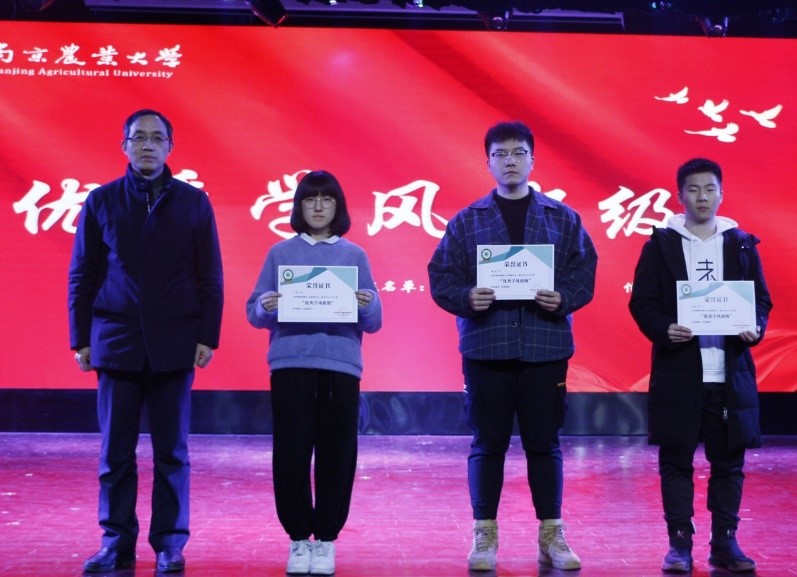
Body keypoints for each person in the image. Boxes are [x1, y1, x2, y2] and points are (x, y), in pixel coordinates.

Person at [428, 121, 597, 572]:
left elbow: (584, 271)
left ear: (532, 160)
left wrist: (564, 297)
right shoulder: (467, 221)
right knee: (487, 444)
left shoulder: (562, 218)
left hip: (545, 347)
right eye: (500, 154)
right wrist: (468, 297)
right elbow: (442, 276)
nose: (510, 161)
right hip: (487, 347)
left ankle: (551, 534)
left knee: (545, 443)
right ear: (487, 163)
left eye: (518, 152)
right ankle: (484, 534)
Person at [68, 109, 224, 573]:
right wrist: (81, 338)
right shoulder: (101, 201)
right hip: (116, 341)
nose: (148, 145)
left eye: (158, 138)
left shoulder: (194, 203)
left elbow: (210, 275)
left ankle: (169, 544)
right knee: (115, 453)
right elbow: (82, 274)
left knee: (172, 452)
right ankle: (116, 541)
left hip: (175, 342)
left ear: (171, 147)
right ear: (125, 146)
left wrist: (207, 335)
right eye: (139, 138)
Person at [629, 157, 772, 574]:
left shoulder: (741, 244)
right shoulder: (661, 244)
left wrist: (755, 327)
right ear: (680, 196)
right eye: (693, 189)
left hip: (729, 375)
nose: (702, 197)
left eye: (710, 189)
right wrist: (664, 328)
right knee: (676, 460)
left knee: (729, 463)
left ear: (721, 194)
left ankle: (725, 542)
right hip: (680, 372)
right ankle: (679, 544)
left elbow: (761, 300)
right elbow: (642, 302)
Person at [246, 170, 382, 575]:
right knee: (291, 453)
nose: (319, 206)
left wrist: (368, 303)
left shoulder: (354, 255)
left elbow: (374, 321)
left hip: (340, 366)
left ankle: (324, 540)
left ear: (338, 206)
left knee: (337, 454)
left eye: (327, 199)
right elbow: (254, 311)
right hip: (290, 364)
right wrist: (265, 305)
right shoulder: (280, 253)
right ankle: (297, 538)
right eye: (310, 199)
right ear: (299, 206)